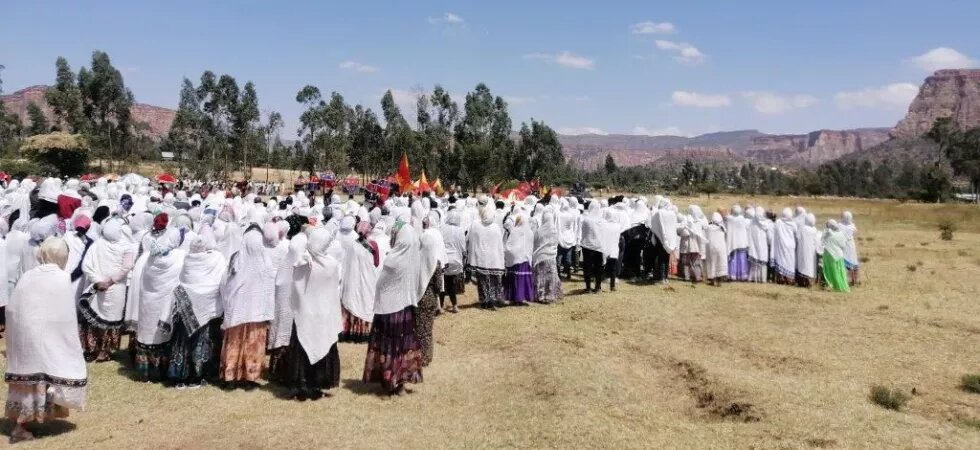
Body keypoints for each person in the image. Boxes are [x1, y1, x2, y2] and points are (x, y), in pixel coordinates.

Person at [4, 237, 87, 444]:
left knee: (30, 379)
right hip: (43, 334)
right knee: (42, 375)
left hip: (25, 335)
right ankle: (20, 427)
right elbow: (65, 314)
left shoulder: (28, 275)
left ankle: (27, 421)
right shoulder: (61, 277)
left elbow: (14, 308)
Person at [159, 229, 226, 388]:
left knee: (181, 340)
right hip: (206, 305)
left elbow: (183, 279)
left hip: (186, 304)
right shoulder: (215, 258)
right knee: (202, 341)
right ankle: (198, 376)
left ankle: (179, 376)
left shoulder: (187, 258)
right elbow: (221, 279)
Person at [363, 222, 424, 395]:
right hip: (404, 308)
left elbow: (382, 284)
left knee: (389, 345)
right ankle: (399, 383)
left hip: (389, 310)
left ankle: (390, 380)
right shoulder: (412, 257)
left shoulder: (394, 259)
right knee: (402, 346)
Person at [284, 227, 342, 400]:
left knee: (302, 348)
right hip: (322, 316)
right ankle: (316, 383)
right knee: (318, 347)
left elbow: (295, 288)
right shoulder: (330, 265)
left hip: (305, 315)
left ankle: (301, 383)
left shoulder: (302, 262)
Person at [219, 226, 276, 389]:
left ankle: (230, 377)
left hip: (237, 311)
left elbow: (225, 283)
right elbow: (270, 286)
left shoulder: (236, 259)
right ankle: (250, 378)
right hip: (257, 313)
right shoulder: (265, 261)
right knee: (253, 344)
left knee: (234, 343)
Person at [135, 216, 186, 381]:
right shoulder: (179, 257)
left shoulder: (150, 257)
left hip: (148, 302)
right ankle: (161, 371)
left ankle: (145, 372)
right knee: (161, 336)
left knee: (147, 332)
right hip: (164, 304)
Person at [79, 218, 136, 362]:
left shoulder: (97, 244)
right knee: (110, 321)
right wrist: (110, 281)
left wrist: (97, 281)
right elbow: (127, 267)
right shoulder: (126, 246)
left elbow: (86, 265)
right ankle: (103, 352)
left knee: (97, 319)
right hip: (116, 288)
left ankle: (94, 349)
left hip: (99, 288)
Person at [339, 217, 378, 343]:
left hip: (352, 279)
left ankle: (349, 331)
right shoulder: (373, 245)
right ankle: (363, 332)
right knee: (364, 299)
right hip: (367, 280)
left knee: (353, 300)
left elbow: (346, 263)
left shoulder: (352, 244)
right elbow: (376, 263)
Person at [416, 214, 444, 366]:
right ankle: (426, 357)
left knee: (416, 328)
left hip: (416, 298)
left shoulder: (414, 259)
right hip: (430, 298)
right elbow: (439, 285)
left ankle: (416, 354)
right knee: (426, 330)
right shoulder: (436, 262)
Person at [467, 206, 506, 310]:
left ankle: (484, 301)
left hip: (481, 258)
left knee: (482, 281)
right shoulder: (496, 227)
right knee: (493, 280)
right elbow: (500, 245)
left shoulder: (476, 225)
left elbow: (471, 240)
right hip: (494, 259)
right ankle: (491, 300)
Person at [504, 213, 535, 305]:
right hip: (526, 259)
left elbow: (509, 245)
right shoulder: (530, 232)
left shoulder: (515, 231)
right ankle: (522, 297)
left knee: (515, 278)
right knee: (523, 278)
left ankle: (515, 297)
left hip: (516, 259)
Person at [533, 208, 562, 303]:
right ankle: (551, 295)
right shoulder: (555, 230)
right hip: (551, 256)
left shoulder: (539, 230)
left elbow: (535, 243)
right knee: (551, 277)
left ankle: (540, 296)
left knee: (540, 277)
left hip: (540, 256)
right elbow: (556, 243)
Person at [440, 210, 466, 312]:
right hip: (455, 262)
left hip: (443, 260)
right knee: (451, 284)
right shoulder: (460, 230)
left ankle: (440, 306)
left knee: (442, 283)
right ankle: (455, 305)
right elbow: (463, 248)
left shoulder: (441, 228)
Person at [579, 201, 605, 293]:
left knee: (587, 267)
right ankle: (598, 287)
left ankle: (588, 287)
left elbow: (583, 232)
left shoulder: (586, 219)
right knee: (598, 267)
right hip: (599, 246)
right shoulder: (602, 220)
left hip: (587, 246)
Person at [821, 220, 850, 293]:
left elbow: (822, 241)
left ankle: (832, 285)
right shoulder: (840, 234)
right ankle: (840, 286)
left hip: (829, 255)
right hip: (838, 255)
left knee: (831, 272)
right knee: (839, 271)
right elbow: (843, 245)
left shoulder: (828, 233)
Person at [771, 208, 797, 285]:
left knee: (781, 261)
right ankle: (789, 280)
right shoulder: (793, 224)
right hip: (790, 247)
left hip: (781, 246)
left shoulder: (778, 222)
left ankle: (781, 279)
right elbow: (795, 235)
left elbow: (774, 231)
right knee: (789, 263)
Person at [725, 205, 750, 282]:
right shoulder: (743, 219)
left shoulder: (729, 219)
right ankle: (742, 276)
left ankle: (732, 276)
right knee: (742, 259)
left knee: (733, 259)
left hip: (733, 242)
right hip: (742, 242)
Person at [747, 206, 771, 283]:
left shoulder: (752, 222)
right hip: (762, 245)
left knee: (755, 261)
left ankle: (753, 278)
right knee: (762, 260)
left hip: (754, 245)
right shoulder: (767, 223)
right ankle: (762, 279)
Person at [795, 213, 820, 288]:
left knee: (803, 266)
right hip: (811, 252)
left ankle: (803, 282)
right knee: (810, 267)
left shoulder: (802, 228)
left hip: (802, 251)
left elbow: (797, 237)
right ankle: (809, 282)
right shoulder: (815, 230)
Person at [704, 212, 728, 286]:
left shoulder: (708, 227)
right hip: (721, 248)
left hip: (711, 248)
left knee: (711, 263)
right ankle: (719, 281)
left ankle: (713, 280)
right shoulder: (722, 228)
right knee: (720, 263)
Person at [840, 211, 860, 286]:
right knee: (853, 263)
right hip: (851, 246)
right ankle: (854, 280)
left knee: (844, 263)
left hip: (843, 246)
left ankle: (843, 280)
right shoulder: (852, 226)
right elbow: (855, 232)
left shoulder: (839, 225)